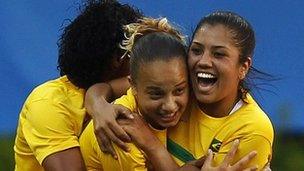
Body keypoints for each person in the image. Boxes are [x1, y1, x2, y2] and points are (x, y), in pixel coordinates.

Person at [85, 11, 274, 170]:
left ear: (243, 67)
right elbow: (106, 88)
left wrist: (151, 145)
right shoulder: (179, 85)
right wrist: (99, 107)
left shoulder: (253, 130)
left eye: (219, 54)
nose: (203, 62)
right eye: (197, 50)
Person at [13, 1, 142, 170]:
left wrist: (97, 101)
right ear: (119, 58)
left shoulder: (133, 89)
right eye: (138, 51)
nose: (143, 60)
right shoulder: (48, 102)